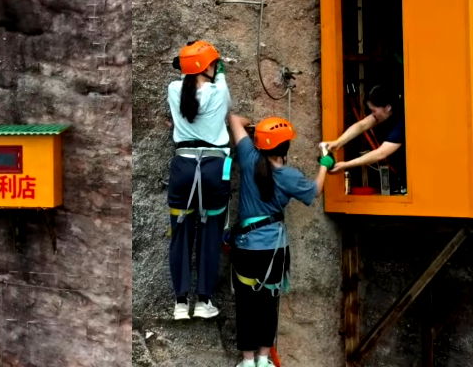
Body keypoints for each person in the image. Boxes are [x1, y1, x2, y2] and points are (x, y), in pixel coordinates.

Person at [228, 115, 327, 367]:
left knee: (246, 304)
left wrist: (249, 123)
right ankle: (263, 358)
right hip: (274, 249)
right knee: (268, 303)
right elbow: (315, 190)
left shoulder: (249, 157)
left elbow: (233, 120)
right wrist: (325, 164)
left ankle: (247, 361)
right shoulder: (289, 176)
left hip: (246, 247)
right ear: (285, 147)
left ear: (260, 142)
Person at [166, 40, 231, 320]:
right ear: (209, 67)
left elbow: (186, 81)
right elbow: (217, 82)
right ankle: (204, 301)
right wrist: (220, 72)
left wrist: (196, 65)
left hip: (184, 164)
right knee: (211, 231)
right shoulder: (220, 90)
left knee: (180, 232)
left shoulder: (173, 89)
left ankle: (181, 303)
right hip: (214, 167)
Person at [322, 85, 405, 194]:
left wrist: (345, 165)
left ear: (388, 107)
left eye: (374, 110)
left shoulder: (402, 123)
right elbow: (361, 125)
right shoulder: (385, 113)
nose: (372, 115)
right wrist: (337, 143)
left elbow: (380, 153)